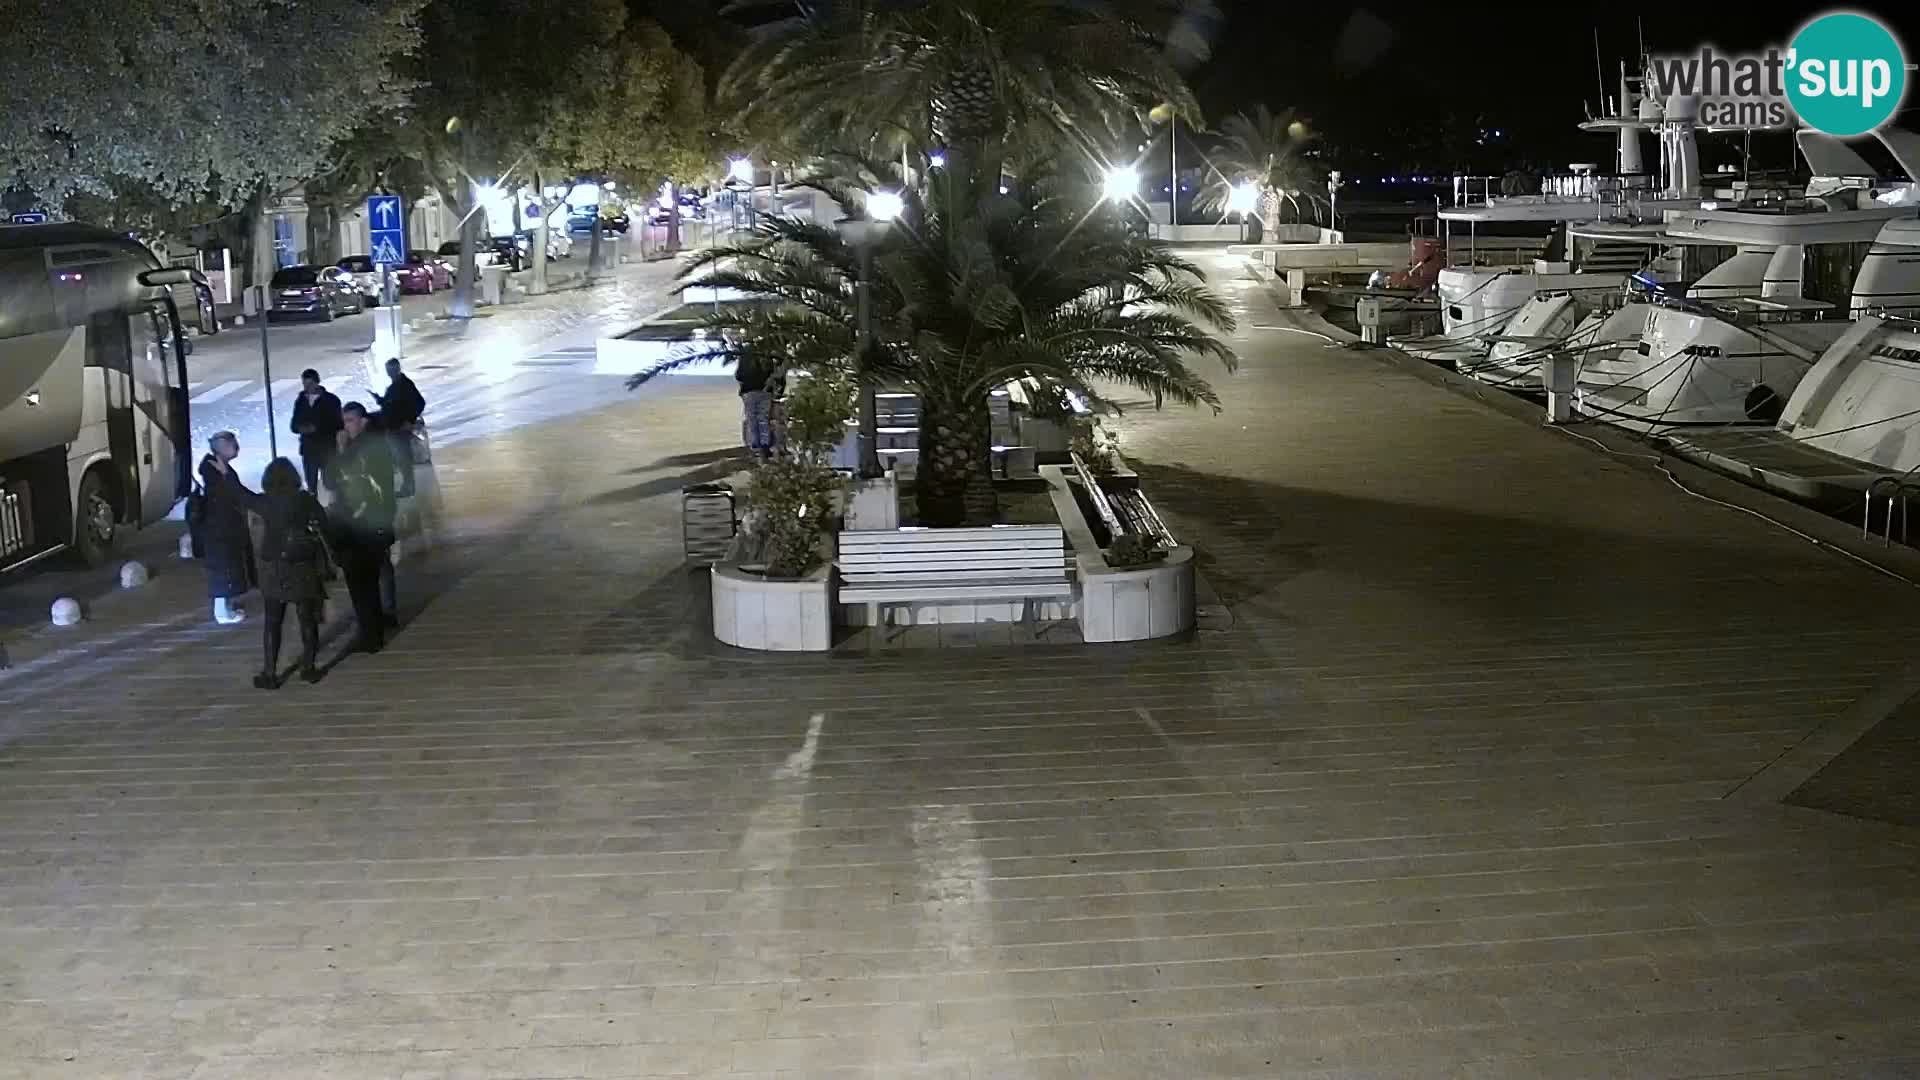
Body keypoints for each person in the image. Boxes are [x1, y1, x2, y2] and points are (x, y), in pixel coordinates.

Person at [246, 458, 330, 688]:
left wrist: (226, 473)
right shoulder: (305, 499)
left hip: (275, 567)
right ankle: (309, 668)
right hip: (302, 563)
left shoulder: (265, 502)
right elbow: (324, 522)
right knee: (307, 619)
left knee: (273, 620)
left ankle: (270, 673)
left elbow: (240, 495)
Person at [325, 402, 399, 654]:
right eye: (344, 421)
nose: (346, 426)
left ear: (363, 421)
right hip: (373, 521)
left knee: (362, 582)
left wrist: (341, 449)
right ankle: (378, 623)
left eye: (350, 420)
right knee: (373, 575)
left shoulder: (361, 449)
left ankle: (370, 633)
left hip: (361, 525)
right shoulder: (374, 445)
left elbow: (334, 477)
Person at [197, 432, 255, 625]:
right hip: (221, 528)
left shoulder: (218, 468)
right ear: (221, 448)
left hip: (224, 527)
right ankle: (222, 612)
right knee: (224, 568)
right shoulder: (214, 471)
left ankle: (225, 607)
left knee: (227, 567)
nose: (236, 447)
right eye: (232, 444)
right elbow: (231, 494)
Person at [372, 358, 425, 497]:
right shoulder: (395, 386)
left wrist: (409, 420)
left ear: (397, 369)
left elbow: (420, 403)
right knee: (400, 459)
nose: (389, 373)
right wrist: (380, 400)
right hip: (393, 428)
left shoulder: (405, 385)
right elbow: (392, 404)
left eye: (391, 370)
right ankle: (406, 486)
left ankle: (408, 488)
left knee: (403, 459)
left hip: (399, 429)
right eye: (388, 370)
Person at [290, 369, 343, 494]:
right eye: (304, 385)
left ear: (317, 382)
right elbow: (293, 424)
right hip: (309, 450)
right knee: (311, 485)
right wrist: (301, 428)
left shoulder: (331, 400)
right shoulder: (301, 401)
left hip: (327, 449)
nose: (307, 388)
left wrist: (317, 428)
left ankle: (336, 507)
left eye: (310, 384)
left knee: (330, 483)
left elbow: (338, 424)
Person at [737, 353, 778, 459]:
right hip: (765, 391)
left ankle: (756, 445)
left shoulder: (745, 356)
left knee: (752, 419)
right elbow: (773, 374)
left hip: (749, 391)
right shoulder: (766, 354)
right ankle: (765, 444)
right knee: (763, 418)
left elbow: (739, 376)